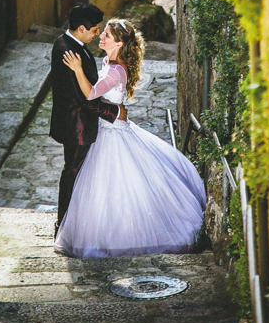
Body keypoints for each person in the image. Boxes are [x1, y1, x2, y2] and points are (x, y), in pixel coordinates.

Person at [55, 18, 206, 258]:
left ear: (118, 43)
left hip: (112, 134)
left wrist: (77, 69)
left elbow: (91, 93)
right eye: (101, 33)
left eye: (105, 35)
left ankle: (117, 238)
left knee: (113, 186)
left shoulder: (116, 70)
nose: (100, 37)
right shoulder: (110, 62)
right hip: (108, 127)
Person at [50, 4, 126, 234]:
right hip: (77, 126)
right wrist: (114, 113)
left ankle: (76, 222)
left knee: (80, 173)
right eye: (95, 30)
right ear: (81, 28)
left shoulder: (71, 44)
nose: (98, 34)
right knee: (73, 173)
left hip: (79, 123)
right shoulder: (68, 51)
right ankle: (64, 226)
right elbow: (83, 98)